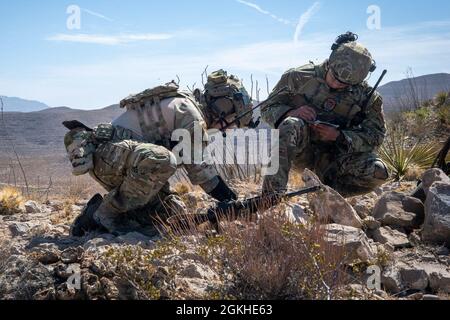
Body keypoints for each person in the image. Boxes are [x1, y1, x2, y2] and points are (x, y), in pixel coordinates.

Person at [64, 69, 253, 236]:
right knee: (163, 160)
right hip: (108, 156)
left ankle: (92, 216)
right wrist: (232, 201)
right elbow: (201, 171)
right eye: (232, 120)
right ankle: (106, 215)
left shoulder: (186, 105)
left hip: (115, 161)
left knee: (171, 214)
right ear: (222, 108)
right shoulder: (191, 115)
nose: (227, 128)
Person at [261, 32, 389, 197]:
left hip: (338, 160)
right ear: (330, 62)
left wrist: (340, 136)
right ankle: (271, 195)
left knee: (378, 171)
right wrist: (291, 112)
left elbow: (376, 136)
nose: (336, 84)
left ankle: (328, 194)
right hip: (301, 153)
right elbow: (267, 108)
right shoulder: (298, 77)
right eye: (334, 77)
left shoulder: (367, 97)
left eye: (344, 84)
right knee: (291, 123)